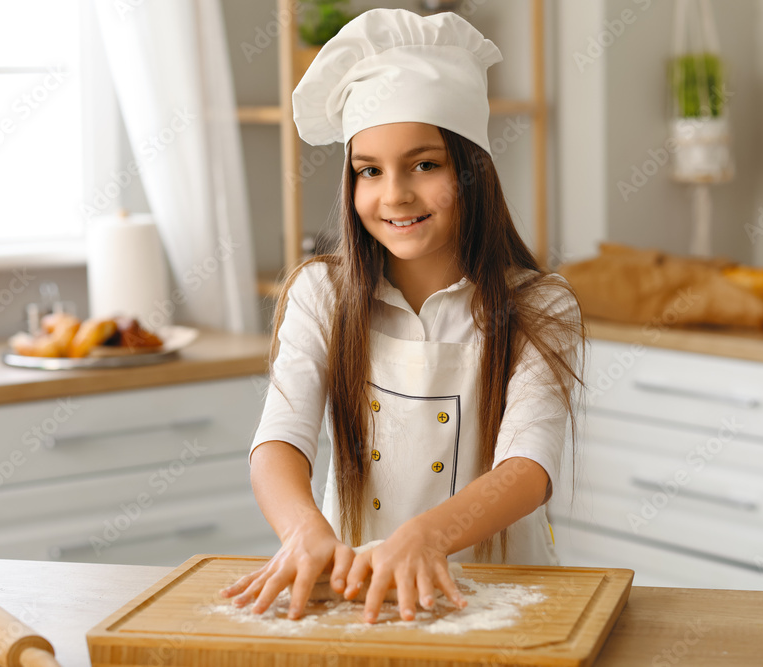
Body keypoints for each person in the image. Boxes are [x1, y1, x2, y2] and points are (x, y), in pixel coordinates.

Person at [219, 7, 584, 624]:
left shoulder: (540, 305)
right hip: (356, 596)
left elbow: (528, 467)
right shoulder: (322, 294)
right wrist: (303, 528)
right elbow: (280, 437)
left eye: (425, 164)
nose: (394, 195)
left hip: (502, 601)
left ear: (473, 171)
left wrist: (426, 536)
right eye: (369, 171)